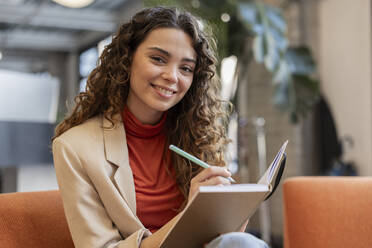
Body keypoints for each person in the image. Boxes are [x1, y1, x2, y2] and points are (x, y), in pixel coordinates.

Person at [52, 6, 268, 248]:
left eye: (185, 68)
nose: (172, 76)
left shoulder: (198, 134)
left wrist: (233, 213)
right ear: (127, 59)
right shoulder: (74, 148)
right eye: (158, 59)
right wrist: (191, 216)